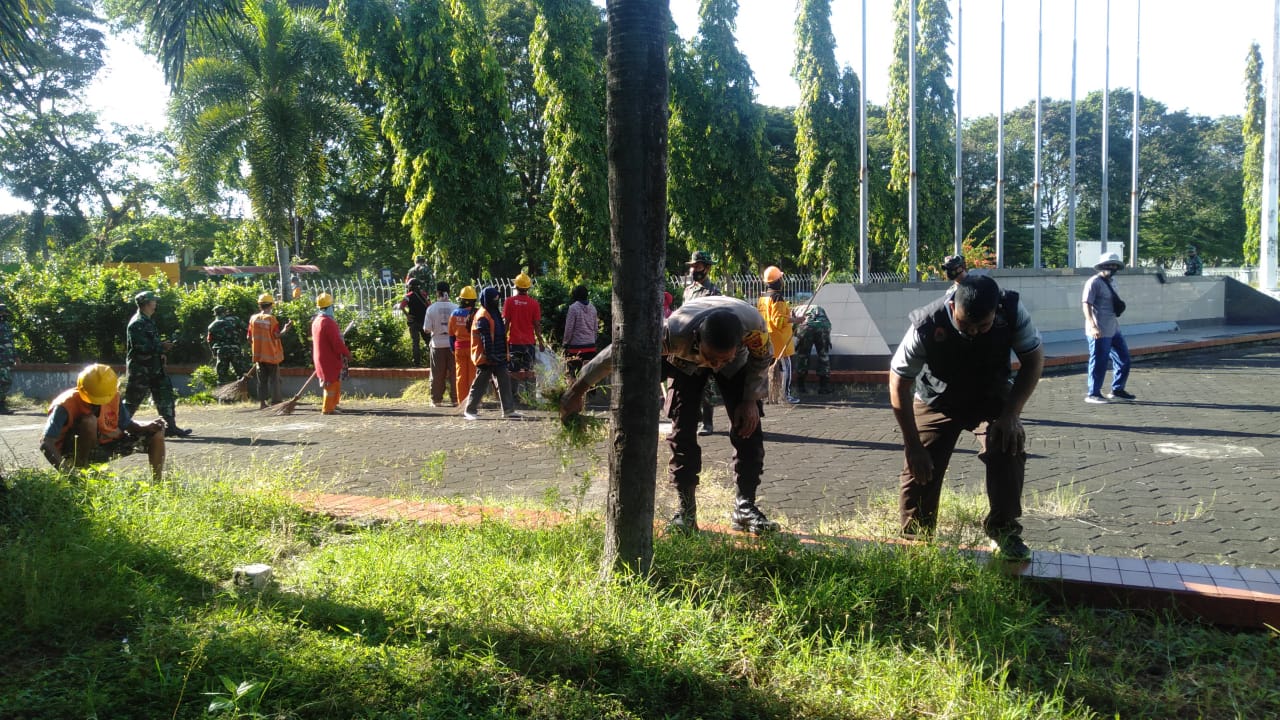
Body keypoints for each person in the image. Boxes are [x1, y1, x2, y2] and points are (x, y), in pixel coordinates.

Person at [560, 296, 780, 535]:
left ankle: (745, 507)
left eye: (722, 360)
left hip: (737, 363)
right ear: (697, 338)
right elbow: (619, 351)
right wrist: (577, 390)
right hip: (685, 360)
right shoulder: (671, 334)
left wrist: (750, 399)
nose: (715, 366)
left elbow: (762, 359)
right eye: (711, 358)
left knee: (748, 427)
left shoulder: (755, 332)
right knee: (682, 429)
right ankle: (686, 512)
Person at [889, 275, 1044, 561]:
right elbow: (898, 383)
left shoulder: (1012, 311)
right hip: (937, 399)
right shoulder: (926, 324)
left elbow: (1034, 361)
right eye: (965, 325)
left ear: (995, 311)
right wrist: (912, 445)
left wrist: (1011, 415)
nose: (973, 331)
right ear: (952, 307)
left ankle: (1004, 531)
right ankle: (916, 538)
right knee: (921, 463)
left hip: (990, 395)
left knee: (1008, 445)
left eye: (982, 326)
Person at [40, 363, 167, 481]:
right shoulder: (64, 405)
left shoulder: (113, 395)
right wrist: (67, 474)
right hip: (72, 452)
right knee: (88, 421)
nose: (97, 404)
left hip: (106, 445)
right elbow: (46, 443)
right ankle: (81, 472)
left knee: (156, 433)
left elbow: (127, 425)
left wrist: (146, 426)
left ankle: (157, 483)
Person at [125, 290, 191, 438]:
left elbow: (150, 343)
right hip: (141, 369)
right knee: (132, 400)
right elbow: (140, 347)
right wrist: (161, 347)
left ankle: (170, 427)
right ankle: (116, 426)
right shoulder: (137, 323)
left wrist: (161, 352)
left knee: (165, 396)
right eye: (153, 300)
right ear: (147, 303)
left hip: (155, 367)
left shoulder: (147, 320)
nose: (155, 303)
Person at [1082, 251, 1135, 404]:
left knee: (1124, 358)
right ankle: (1093, 393)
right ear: (1101, 266)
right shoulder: (1093, 282)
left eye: (1114, 265)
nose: (1111, 268)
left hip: (1113, 328)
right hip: (1099, 329)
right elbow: (1086, 304)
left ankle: (1117, 390)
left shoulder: (1113, 282)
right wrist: (1093, 326)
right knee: (1099, 361)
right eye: (1108, 265)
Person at [462, 287, 519, 420]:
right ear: (488, 299)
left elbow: (499, 334)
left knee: (504, 381)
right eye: (494, 298)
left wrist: (503, 354)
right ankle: (470, 410)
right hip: (486, 357)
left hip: (498, 355)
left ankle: (508, 410)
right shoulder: (483, 316)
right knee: (480, 384)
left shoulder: (494, 313)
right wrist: (490, 355)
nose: (496, 300)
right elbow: (485, 337)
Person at [683, 250, 720, 435]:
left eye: (697, 266)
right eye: (692, 266)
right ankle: (692, 418)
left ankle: (707, 422)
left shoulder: (713, 292)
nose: (693, 270)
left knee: (707, 384)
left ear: (707, 268)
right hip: (688, 343)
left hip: (705, 344)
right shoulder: (688, 290)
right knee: (688, 383)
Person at [757, 265, 799, 404]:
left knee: (768, 369)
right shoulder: (777, 298)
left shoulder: (763, 298)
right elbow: (779, 321)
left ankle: (769, 396)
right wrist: (796, 320)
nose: (782, 281)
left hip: (766, 338)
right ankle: (785, 396)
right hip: (780, 340)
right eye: (781, 278)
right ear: (777, 281)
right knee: (786, 368)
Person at [502, 272, 546, 400]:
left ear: (516, 286)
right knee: (529, 370)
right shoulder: (534, 304)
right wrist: (541, 341)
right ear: (528, 288)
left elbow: (506, 323)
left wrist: (502, 340)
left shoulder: (509, 302)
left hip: (514, 342)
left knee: (513, 370)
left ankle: (513, 396)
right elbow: (537, 325)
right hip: (529, 343)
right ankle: (530, 397)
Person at [248, 293, 292, 408]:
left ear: (260, 305)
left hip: (258, 356)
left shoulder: (253, 319)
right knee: (274, 380)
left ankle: (262, 403)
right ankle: (276, 402)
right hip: (271, 355)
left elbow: (249, 337)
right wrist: (285, 329)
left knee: (261, 380)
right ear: (271, 305)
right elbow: (276, 335)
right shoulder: (271, 319)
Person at [311, 292, 351, 415]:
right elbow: (337, 343)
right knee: (331, 382)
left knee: (334, 381)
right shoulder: (328, 322)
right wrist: (347, 353)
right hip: (329, 358)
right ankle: (328, 408)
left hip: (322, 356)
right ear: (329, 307)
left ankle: (333, 405)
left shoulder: (317, 321)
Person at [424, 281, 458, 406]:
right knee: (454, 373)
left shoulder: (431, 308)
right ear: (449, 292)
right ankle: (456, 399)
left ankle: (436, 399)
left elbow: (427, 329)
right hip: (453, 344)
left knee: (437, 374)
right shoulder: (456, 308)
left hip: (437, 344)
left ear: (437, 292)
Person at [449, 286, 480, 406]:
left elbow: (451, 335)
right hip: (473, 348)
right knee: (473, 375)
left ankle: (461, 401)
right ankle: (473, 402)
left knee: (460, 375)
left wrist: (452, 348)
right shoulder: (477, 313)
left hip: (459, 348)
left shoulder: (454, 314)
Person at [792, 304, 832, 394]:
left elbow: (794, 328)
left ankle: (801, 387)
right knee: (823, 355)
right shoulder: (818, 307)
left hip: (806, 326)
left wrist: (798, 337)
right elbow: (827, 322)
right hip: (823, 326)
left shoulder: (794, 311)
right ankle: (824, 386)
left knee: (802, 356)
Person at [561, 285, 598, 380]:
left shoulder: (573, 308)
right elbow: (595, 329)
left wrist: (565, 343)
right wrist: (592, 341)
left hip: (576, 348)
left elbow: (569, 329)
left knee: (574, 377)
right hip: (591, 347)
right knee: (589, 377)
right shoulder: (593, 308)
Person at [205, 305, 248, 384]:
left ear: (215, 313)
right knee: (242, 374)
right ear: (226, 312)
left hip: (221, 351)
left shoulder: (211, 325)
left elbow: (209, 340)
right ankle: (243, 390)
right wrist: (245, 343)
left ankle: (222, 391)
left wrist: (213, 352)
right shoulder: (235, 319)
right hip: (235, 349)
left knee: (222, 376)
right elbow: (247, 329)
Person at [398, 278, 431, 366]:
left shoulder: (408, 296)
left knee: (415, 343)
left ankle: (417, 363)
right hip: (424, 322)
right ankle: (432, 361)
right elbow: (430, 306)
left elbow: (401, 306)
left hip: (413, 322)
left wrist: (407, 315)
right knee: (429, 342)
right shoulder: (424, 294)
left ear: (410, 286)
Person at [0, 303, 15, 414]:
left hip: (7, 359)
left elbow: (11, 342)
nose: (4, 314)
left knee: (6, 381)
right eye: (2, 312)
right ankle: (1, 406)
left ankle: (2, 404)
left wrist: (16, 356)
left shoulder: (6, 325)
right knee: (3, 381)